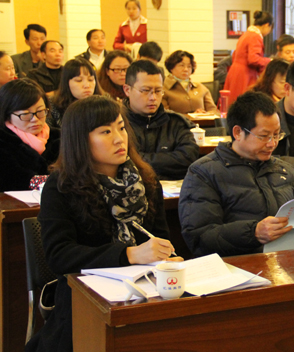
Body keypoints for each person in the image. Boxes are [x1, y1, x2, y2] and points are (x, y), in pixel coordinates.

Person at [25, 96, 179, 352]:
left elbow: (160, 239)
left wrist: (166, 258)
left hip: (144, 292)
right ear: (81, 140)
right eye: (105, 132)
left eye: (121, 128)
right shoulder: (61, 186)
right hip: (83, 302)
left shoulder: (146, 182)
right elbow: (59, 255)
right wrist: (128, 254)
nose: (119, 139)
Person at [178, 91, 294, 257]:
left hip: (288, 261)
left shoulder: (287, 171)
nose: (272, 144)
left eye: (276, 135)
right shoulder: (204, 172)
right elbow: (199, 238)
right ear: (237, 133)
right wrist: (253, 233)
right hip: (236, 265)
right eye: (264, 136)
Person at [123, 60, 199, 180]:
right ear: (127, 90)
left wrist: (140, 159)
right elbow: (120, 161)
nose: (153, 97)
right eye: (145, 90)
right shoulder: (116, 123)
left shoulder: (175, 122)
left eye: (158, 91)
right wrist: (167, 159)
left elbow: (188, 157)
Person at [0, 79, 60, 192]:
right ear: (7, 115)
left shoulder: (59, 137)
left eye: (40, 111)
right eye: (26, 114)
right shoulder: (4, 140)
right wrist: (51, 182)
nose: (35, 119)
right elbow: (11, 180)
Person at [224, 11, 273, 104]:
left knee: (233, 102)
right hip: (245, 74)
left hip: (235, 71)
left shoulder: (246, 34)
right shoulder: (255, 36)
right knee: (244, 104)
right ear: (267, 25)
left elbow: (235, 55)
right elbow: (253, 59)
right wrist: (269, 61)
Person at [48, 58, 103, 128]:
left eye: (90, 80)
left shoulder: (105, 104)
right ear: (66, 83)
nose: (87, 85)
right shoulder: (52, 106)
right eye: (79, 80)